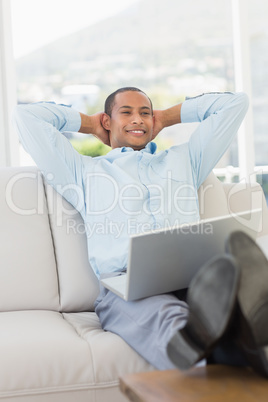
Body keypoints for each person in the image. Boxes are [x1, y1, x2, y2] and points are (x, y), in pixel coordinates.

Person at [13, 87, 268, 376]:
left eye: (144, 113)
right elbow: (27, 116)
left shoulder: (186, 160)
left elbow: (235, 104)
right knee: (162, 314)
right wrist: (90, 123)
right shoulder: (84, 173)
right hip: (128, 285)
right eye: (126, 113)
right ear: (108, 121)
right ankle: (216, 350)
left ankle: (239, 331)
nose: (138, 119)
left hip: (194, 277)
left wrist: (167, 117)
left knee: (225, 290)